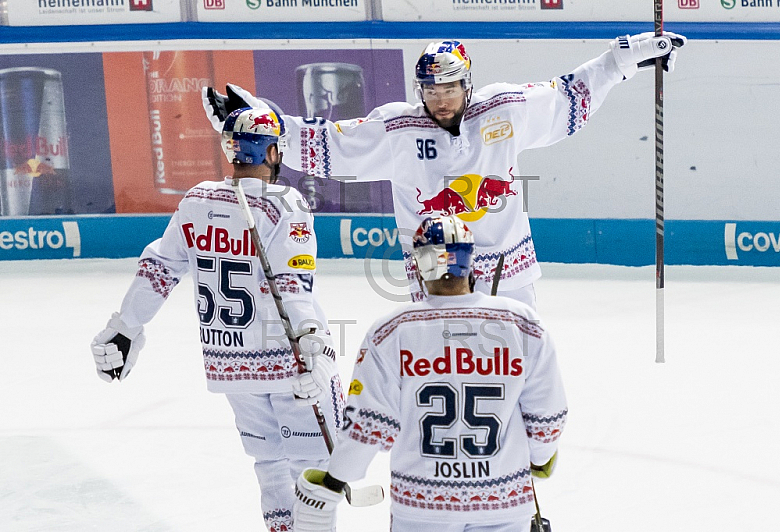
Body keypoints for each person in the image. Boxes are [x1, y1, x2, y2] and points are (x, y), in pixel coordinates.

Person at [203, 34, 686, 310]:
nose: (439, 99)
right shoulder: (398, 128)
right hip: (435, 272)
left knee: (519, 371)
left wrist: (625, 58)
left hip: (507, 270)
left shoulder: (505, 109)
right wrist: (252, 124)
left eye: (449, 88)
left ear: (467, 83)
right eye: (430, 90)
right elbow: (326, 142)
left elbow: (569, 92)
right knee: (446, 368)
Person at [90, 106, 345, 531]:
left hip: (230, 363)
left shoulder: (197, 200)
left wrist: (126, 326)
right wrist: (313, 344)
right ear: (274, 152)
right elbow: (291, 284)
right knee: (312, 466)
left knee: (269, 463)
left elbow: (160, 268)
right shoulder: (285, 204)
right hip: (286, 360)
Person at [291, 216, 568, 532]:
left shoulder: (392, 331)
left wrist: (334, 479)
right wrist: (541, 456)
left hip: (423, 507)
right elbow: (547, 416)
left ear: (420, 266)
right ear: (470, 261)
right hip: (503, 505)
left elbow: (369, 423)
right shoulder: (522, 325)